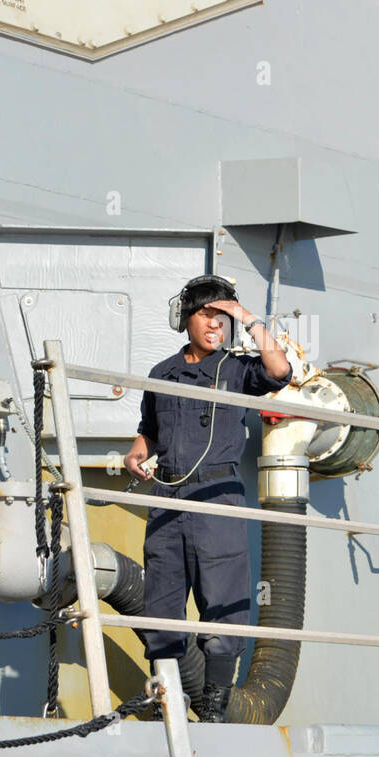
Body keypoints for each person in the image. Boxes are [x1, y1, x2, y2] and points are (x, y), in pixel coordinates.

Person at [123, 274, 292, 722]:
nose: (216, 324)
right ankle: (167, 698)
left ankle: (215, 704)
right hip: (167, 498)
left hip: (217, 498)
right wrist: (138, 454)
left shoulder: (236, 370)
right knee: (162, 605)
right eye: (207, 314)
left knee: (224, 601)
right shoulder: (162, 374)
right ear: (187, 320)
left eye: (223, 317)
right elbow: (150, 433)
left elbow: (279, 371)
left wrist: (247, 318)